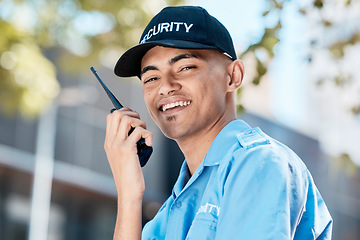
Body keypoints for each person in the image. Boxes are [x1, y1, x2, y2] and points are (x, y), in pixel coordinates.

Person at [104, 5, 333, 240]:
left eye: (185, 67)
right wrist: (129, 195)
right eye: (151, 78)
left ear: (233, 76)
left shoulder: (259, 163)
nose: (165, 87)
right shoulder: (168, 213)